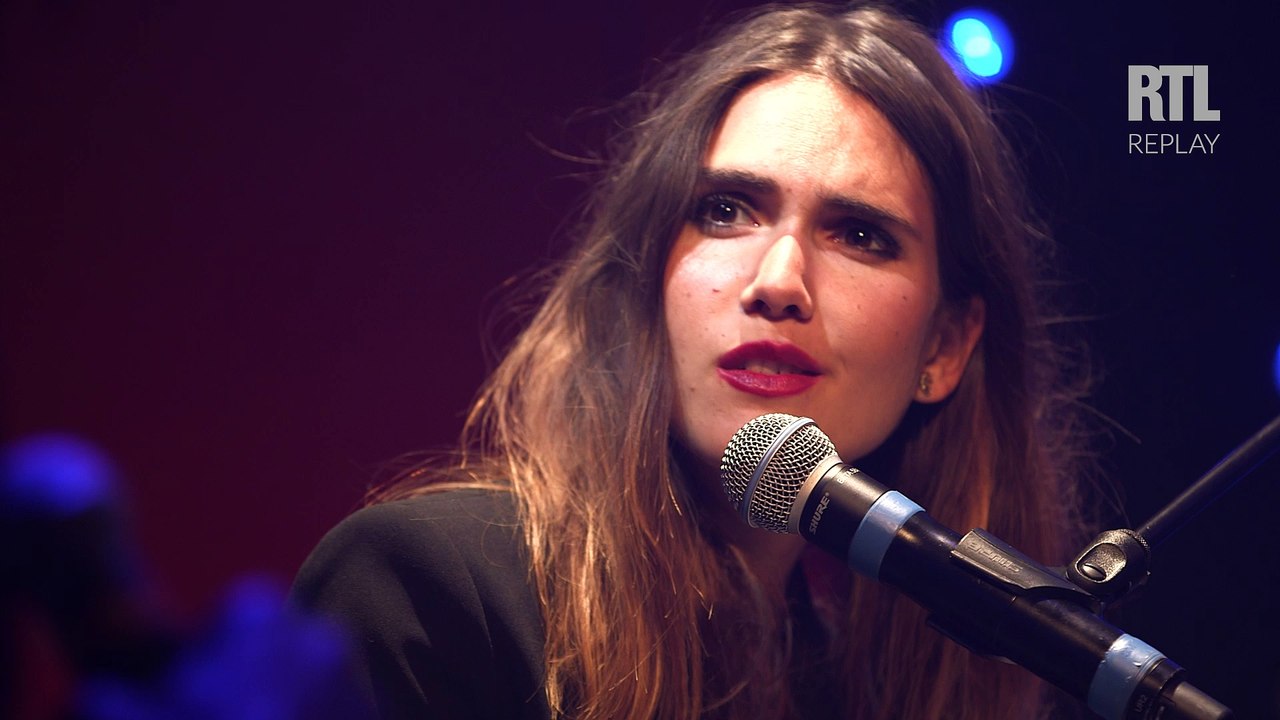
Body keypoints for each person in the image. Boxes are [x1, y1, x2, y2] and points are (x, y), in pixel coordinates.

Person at [291, 3, 1095, 718]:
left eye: (858, 235)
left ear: (945, 347)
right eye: (726, 211)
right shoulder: (427, 590)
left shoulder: (856, 691)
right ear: (650, 275)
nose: (779, 281)